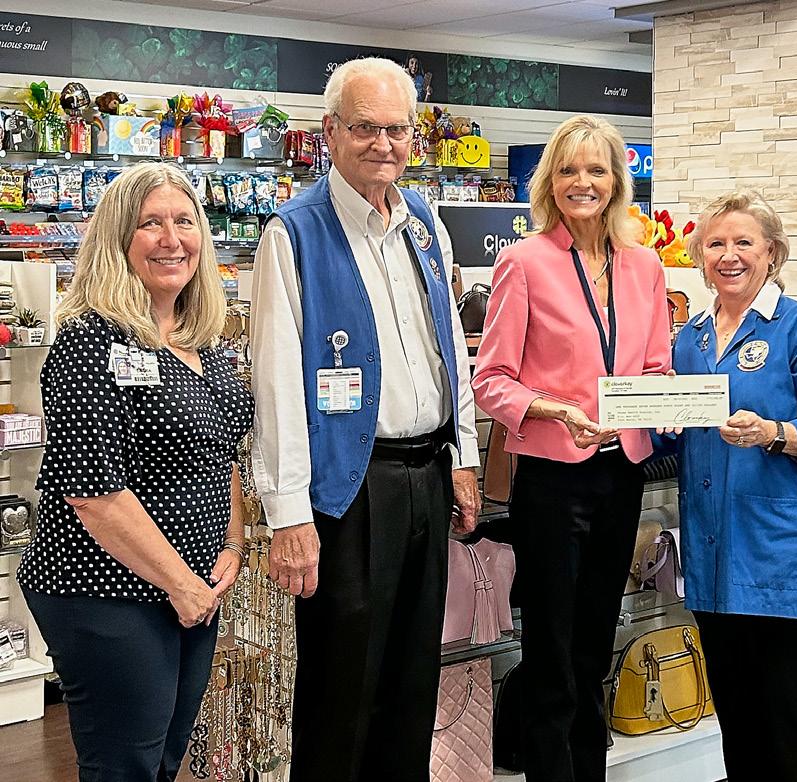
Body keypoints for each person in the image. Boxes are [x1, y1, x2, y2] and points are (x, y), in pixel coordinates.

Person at [249, 56, 480, 781]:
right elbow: (276, 382)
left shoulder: (425, 225)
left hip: (427, 476)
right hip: (348, 490)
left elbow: (450, 349)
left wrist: (465, 455)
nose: (383, 144)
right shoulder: (293, 233)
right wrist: (289, 515)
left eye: (397, 129)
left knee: (413, 682)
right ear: (330, 133)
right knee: (343, 687)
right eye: (364, 128)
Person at [16, 162, 254, 781]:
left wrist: (231, 543)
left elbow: (220, 452)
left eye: (184, 222)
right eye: (151, 224)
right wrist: (182, 584)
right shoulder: (90, 341)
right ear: (118, 239)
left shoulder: (208, 344)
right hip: (105, 591)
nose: (172, 239)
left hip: (193, 589)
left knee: (165, 759)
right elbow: (92, 493)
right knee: (125, 765)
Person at [472, 114, 671, 782]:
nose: (582, 182)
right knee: (552, 654)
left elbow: (656, 369)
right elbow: (491, 380)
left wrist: (654, 408)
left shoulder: (644, 266)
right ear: (549, 183)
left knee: (595, 649)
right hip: (553, 478)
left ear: (617, 180)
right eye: (567, 170)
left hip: (623, 474)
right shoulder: (523, 262)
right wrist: (554, 409)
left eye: (596, 169)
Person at [669, 191, 797, 782]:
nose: (729, 255)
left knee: (783, 729)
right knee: (738, 726)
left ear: (771, 252)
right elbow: (682, 433)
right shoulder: (690, 339)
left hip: (783, 559)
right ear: (699, 257)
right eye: (715, 244)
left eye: (744, 242)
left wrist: (775, 433)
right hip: (713, 558)